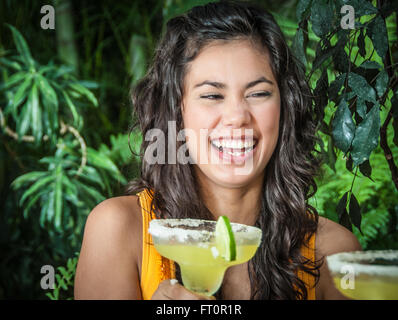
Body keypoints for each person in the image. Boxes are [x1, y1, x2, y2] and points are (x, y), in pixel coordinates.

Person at [74, 0, 361, 300]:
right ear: (177, 110)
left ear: (285, 108)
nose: (237, 116)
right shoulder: (119, 230)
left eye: (259, 93)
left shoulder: (335, 254)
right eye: (212, 95)